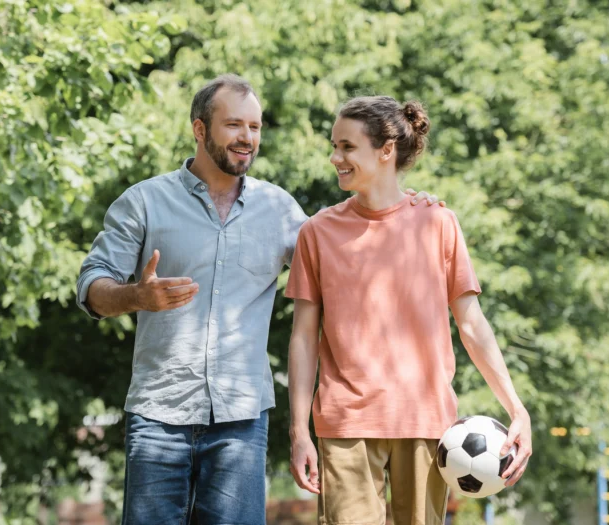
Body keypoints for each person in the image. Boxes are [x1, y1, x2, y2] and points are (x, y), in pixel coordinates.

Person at [76, 75, 440, 525]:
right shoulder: (145, 202)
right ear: (199, 129)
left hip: (241, 422)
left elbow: (348, 254)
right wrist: (136, 296)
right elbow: (92, 286)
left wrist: (408, 205)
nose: (247, 138)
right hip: (157, 416)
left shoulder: (282, 211)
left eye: (255, 126)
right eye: (234, 125)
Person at [285, 95, 532, 525]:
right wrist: (298, 430)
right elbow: (304, 337)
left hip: (425, 418)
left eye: (347, 147)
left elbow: (472, 323)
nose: (334, 157)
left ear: (386, 150)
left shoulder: (438, 223)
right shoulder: (317, 232)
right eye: (334, 145)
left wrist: (516, 407)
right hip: (345, 423)